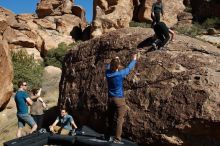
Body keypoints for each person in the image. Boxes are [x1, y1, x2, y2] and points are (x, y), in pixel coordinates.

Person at [105, 54, 137, 144]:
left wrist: (115, 59)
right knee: (120, 119)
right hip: (119, 99)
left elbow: (108, 66)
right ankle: (117, 139)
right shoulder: (119, 74)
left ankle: (107, 136)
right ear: (117, 67)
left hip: (110, 98)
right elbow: (129, 68)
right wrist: (134, 59)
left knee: (110, 118)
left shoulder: (107, 73)